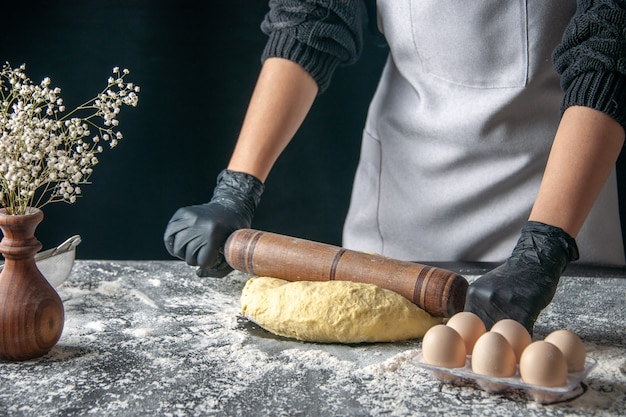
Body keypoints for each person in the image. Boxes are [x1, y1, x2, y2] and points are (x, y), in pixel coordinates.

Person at [164, 0, 626, 333]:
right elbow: (310, 17)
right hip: (400, 217)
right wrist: (237, 187)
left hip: (560, 197)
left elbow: (610, 48)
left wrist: (544, 248)